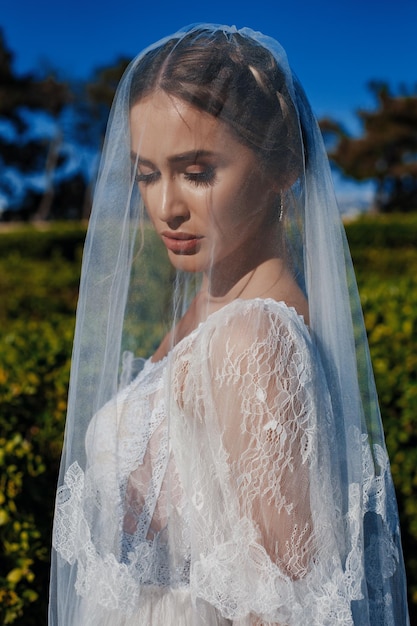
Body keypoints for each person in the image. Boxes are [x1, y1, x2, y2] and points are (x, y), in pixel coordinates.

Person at [49, 24, 409, 625]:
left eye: (197, 171)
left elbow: (289, 612)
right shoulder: (204, 317)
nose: (166, 207)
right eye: (147, 174)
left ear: (282, 167)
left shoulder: (253, 343)